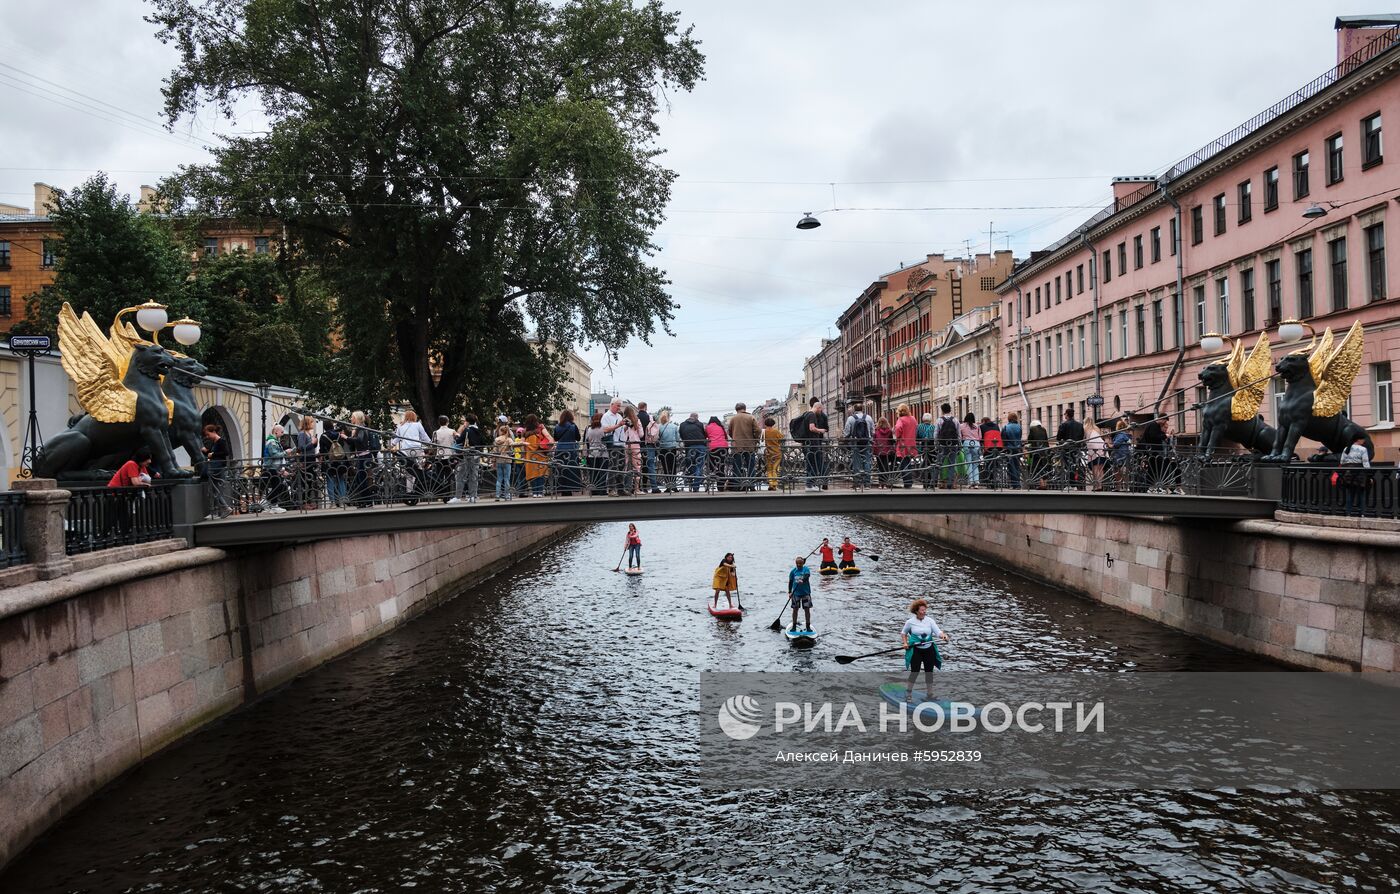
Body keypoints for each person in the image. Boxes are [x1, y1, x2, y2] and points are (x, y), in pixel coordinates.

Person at [901, 598, 949, 703]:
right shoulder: (910, 622)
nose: (924, 612)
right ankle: (908, 692)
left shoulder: (930, 621)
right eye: (922, 610)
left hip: (929, 649)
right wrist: (905, 643)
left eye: (925, 610)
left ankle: (930, 695)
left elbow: (938, 632)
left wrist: (943, 636)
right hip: (916, 650)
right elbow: (903, 633)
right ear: (916, 611)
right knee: (915, 671)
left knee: (929, 672)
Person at [450, 413, 487, 504]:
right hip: (476, 455)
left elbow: (459, 440)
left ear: (467, 422)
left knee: (460, 475)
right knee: (473, 476)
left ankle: (458, 497)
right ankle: (473, 496)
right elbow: (483, 442)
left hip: (467, 455)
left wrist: (457, 435)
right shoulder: (479, 430)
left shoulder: (467, 430)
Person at [727, 402, 761, 491]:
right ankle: (751, 484)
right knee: (751, 465)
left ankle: (737, 485)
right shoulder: (751, 417)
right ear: (745, 408)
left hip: (737, 446)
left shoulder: (733, 418)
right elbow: (757, 430)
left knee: (737, 466)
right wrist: (755, 439)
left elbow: (729, 431)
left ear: (736, 409)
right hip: (750, 446)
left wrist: (735, 437)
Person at [1340, 433, 1372, 516]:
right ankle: (1362, 513)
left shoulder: (1346, 448)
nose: (1364, 441)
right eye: (1363, 439)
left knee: (1350, 493)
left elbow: (1342, 461)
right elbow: (1366, 463)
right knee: (1361, 493)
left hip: (1348, 473)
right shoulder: (1363, 449)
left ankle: (1348, 512)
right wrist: (1369, 476)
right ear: (1358, 440)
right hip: (1359, 472)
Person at [319, 421, 350, 507]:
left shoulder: (323, 436)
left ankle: (332, 502)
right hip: (340, 461)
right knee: (341, 479)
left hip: (329, 462)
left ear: (324, 427)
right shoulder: (339, 435)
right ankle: (343, 501)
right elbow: (343, 446)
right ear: (332, 426)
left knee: (330, 480)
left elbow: (322, 450)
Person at [845, 403, 875, 488]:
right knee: (867, 462)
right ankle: (867, 483)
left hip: (856, 443)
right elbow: (873, 431)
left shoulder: (850, 418)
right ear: (863, 409)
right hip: (866, 443)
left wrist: (845, 438)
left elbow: (846, 432)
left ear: (854, 410)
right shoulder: (868, 417)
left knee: (856, 463)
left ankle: (857, 483)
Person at [1055, 408, 1086, 490]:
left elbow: (1058, 437)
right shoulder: (1080, 425)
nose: (1064, 415)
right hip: (1076, 449)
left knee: (1068, 466)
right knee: (1076, 465)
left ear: (1067, 415)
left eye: (1065, 414)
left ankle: (1071, 484)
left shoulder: (1064, 424)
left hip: (1067, 449)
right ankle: (1077, 484)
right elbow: (1082, 436)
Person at [802, 399, 829, 491]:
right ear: (818, 407)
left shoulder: (806, 414)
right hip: (813, 443)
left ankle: (811, 484)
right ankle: (810, 485)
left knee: (810, 464)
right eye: (821, 409)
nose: (821, 411)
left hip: (806, 443)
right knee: (814, 463)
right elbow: (812, 428)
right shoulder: (812, 415)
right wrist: (820, 430)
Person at [553, 410, 581, 496]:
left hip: (560, 451)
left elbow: (556, 438)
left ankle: (561, 487)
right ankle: (571, 488)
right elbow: (578, 438)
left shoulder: (557, 426)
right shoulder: (573, 426)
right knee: (571, 470)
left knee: (560, 469)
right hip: (571, 451)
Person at [523, 414, 552, 497]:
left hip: (530, 456)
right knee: (541, 473)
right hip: (540, 454)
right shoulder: (540, 429)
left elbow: (522, 444)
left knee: (532, 474)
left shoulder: (525, 432)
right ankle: (540, 491)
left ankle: (534, 492)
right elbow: (548, 437)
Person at [679, 412, 708, 492]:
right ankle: (696, 485)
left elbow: (681, 435)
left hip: (689, 447)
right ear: (697, 418)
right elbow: (704, 435)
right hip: (701, 446)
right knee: (699, 466)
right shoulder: (700, 424)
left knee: (691, 464)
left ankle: (693, 479)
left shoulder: (682, 425)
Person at [619, 406, 644, 495]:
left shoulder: (622, 421)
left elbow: (620, 433)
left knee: (625, 466)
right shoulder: (637, 421)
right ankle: (636, 489)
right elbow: (641, 434)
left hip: (625, 444)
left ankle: (625, 488)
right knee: (637, 467)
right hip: (635, 444)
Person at [583, 412, 609, 495]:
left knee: (593, 472)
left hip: (592, 453)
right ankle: (602, 490)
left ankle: (594, 490)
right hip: (603, 452)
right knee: (602, 472)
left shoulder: (589, 429)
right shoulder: (604, 428)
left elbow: (586, 440)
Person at [935, 404, 960, 490]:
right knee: (951, 464)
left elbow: (936, 433)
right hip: (953, 444)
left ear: (942, 410)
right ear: (950, 410)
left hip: (942, 445)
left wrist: (936, 443)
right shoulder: (955, 420)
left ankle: (934, 482)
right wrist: (959, 443)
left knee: (939, 463)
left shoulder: (939, 420)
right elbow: (959, 433)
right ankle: (950, 483)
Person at [657, 410, 681, 492]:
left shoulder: (659, 426)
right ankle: (674, 485)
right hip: (672, 448)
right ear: (669, 417)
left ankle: (668, 486)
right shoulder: (674, 426)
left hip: (663, 449)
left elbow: (657, 438)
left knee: (665, 467)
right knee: (673, 467)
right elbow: (678, 439)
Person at [894, 403, 918, 488]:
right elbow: (916, 428)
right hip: (912, 444)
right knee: (908, 463)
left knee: (904, 463)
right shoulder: (913, 419)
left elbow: (898, 429)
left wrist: (897, 436)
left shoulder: (901, 419)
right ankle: (910, 481)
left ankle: (907, 482)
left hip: (903, 445)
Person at [787, 555, 813, 632]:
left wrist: (803, 580)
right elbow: (791, 582)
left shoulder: (806, 569)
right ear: (796, 563)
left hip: (806, 593)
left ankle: (808, 626)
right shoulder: (793, 571)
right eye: (797, 564)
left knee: (807, 610)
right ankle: (794, 626)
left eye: (800, 564)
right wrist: (789, 592)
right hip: (796, 593)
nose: (798, 565)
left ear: (803, 564)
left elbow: (807, 575)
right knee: (795, 610)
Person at [705, 415, 729, 491]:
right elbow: (726, 437)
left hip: (713, 448)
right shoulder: (721, 427)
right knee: (721, 465)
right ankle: (721, 486)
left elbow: (705, 436)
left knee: (711, 464)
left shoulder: (707, 427)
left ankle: (713, 473)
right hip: (723, 447)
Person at [492, 423, 515, 500]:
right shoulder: (509, 439)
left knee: (499, 479)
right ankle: (507, 495)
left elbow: (494, 451)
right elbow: (513, 445)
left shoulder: (496, 440)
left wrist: (493, 461)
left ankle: (497, 495)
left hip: (499, 460)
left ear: (501, 431)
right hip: (507, 460)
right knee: (507, 478)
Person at [959, 413, 982, 487]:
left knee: (969, 463)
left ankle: (971, 482)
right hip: (976, 444)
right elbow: (980, 437)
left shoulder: (962, 426)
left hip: (967, 443)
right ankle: (977, 482)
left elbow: (960, 436)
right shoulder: (977, 426)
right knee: (975, 464)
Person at [1001, 411, 1023, 488]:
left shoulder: (1006, 427)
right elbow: (1020, 437)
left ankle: (1015, 484)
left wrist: (1004, 448)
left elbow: (1004, 439)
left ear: (1009, 418)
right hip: (1018, 448)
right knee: (1017, 466)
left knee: (1011, 466)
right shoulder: (1019, 427)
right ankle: (1018, 483)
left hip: (1009, 449)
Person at [916, 412, 937, 488]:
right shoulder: (933, 427)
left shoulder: (919, 427)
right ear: (930, 419)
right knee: (932, 464)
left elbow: (916, 437)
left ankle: (925, 482)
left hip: (923, 447)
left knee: (925, 463)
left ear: (923, 419)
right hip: (932, 447)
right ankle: (932, 481)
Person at [762, 416, 783, 490]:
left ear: (765, 424)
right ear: (773, 424)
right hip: (777, 453)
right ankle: (775, 484)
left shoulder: (764, 432)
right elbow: (781, 439)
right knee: (775, 469)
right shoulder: (776, 431)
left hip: (768, 453)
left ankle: (771, 484)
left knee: (769, 470)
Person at [873, 416, 895, 487]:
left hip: (879, 451)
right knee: (885, 466)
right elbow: (891, 441)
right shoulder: (889, 431)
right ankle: (885, 483)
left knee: (880, 467)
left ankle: (880, 483)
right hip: (887, 451)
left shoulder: (876, 431)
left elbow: (874, 440)